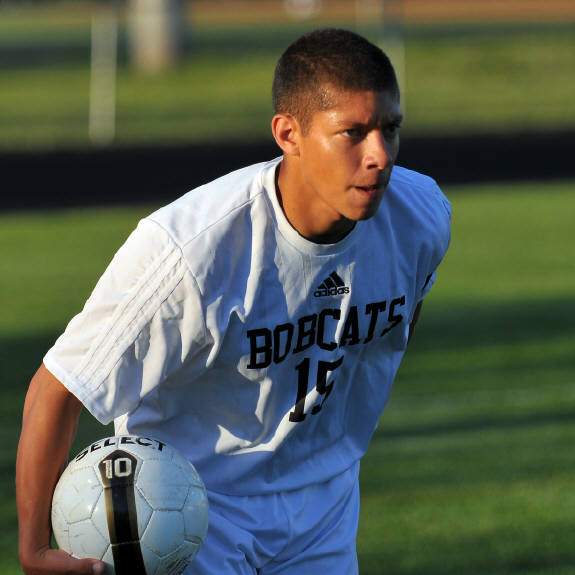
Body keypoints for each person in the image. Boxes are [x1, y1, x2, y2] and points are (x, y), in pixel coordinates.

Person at [17, 28, 451, 575]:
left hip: (325, 509)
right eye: (353, 132)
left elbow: (385, 333)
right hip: (189, 509)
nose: (379, 155)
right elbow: (59, 385)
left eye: (390, 129)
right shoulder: (191, 250)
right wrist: (33, 547)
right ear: (289, 134)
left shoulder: (421, 218)